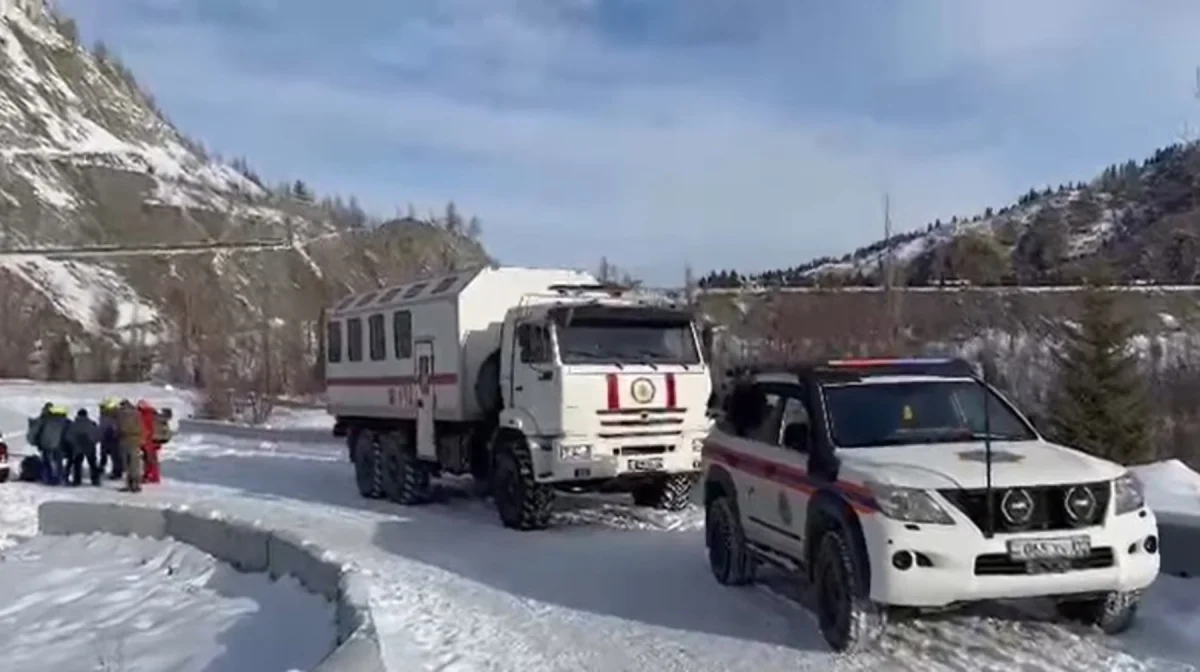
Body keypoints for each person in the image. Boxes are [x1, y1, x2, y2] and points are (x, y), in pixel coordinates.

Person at [32, 404, 69, 485]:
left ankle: (49, 478)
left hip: (46, 444)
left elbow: (35, 431)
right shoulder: (63, 420)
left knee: (47, 462)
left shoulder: (44, 420)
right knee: (58, 462)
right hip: (58, 445)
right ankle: (60, 477)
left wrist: (34, 441)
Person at [65, 409, 101, 486]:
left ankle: (77, 480)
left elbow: (68, 436)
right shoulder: (92, 423)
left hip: (77, 448)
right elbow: (98, 435)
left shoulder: (73, 424)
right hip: (90, 447)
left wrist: (73, 444)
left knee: (77, 464)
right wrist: (93, 442)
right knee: (92, 464)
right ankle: (95, 480)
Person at [115, 399, 143, 493]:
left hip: (124, 440)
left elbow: (118, 428)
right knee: (134, 464)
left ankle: (129, 484)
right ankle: (135, 484)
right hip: (134, 441)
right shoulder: (137, 414)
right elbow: (141, 427)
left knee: (127, 464)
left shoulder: (120, 414)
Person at [136, 399, 166, 484]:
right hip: (153, 440)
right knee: (150, 459)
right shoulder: (152, 414)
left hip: (149, 441)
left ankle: (152, 476)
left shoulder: (145, 415)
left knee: (150, 460)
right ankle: (151, 476)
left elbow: (145, 429)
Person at [98, 398, 122, 480]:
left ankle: (117, 471)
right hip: (105, 437)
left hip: (112, 437)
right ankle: (101, 468)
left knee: (115, 456)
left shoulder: (115, 415)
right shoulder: (103, 414)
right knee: (104, 455)